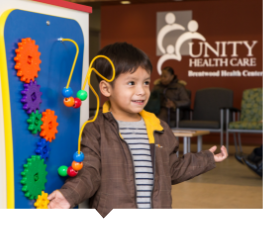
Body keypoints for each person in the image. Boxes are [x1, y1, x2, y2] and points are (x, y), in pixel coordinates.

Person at [47, 43, 228, 217]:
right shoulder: (96, 129)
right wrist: (69, 195)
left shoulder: (159, 127)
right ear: (106, 88)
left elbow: (172, 169)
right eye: (131, 83)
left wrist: (206, 159)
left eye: (146, 82)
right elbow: (90, 172)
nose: (142, 91)